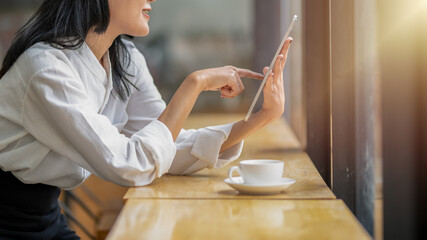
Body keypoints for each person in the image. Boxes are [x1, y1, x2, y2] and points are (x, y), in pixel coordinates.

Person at [0, 0, 292, 239]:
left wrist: (262, 117)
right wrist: (195, 84)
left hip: (48, 218)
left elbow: (166, 148)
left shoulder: (123, 58)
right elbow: (132, 165)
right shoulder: (45, 69)